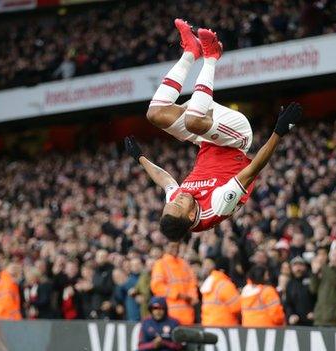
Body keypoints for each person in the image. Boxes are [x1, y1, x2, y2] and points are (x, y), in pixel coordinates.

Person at [125, 19, 303, 241]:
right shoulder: (217, 207)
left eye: (171, 202)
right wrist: (279, 132)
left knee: (155, 114)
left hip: (207, 138)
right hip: (236, 139)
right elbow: (252, 170)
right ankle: (211, 56)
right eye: (178, 204)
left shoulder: (177, 204)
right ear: (191, 216)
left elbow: (165, 181)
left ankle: (190, 51)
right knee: (192, 122)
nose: (175, 199)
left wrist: (140, 157)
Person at [150, 242, 198, 325]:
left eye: (177, 246)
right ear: (166, 247)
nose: (175, 249)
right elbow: (157, 286)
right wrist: (177, 294)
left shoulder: (184, 264)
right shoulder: (160, 264)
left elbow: (192, 282)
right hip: (170, 316)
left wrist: (192, 296)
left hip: (188, 314)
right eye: (172, 246)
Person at [309, 247, 336, 327]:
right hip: (320, 318)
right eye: (334, 255)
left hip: (335, 319)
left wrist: (323, 266)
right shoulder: (325, 270)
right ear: (330, 257)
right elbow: (313, 289)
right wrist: (314, 274)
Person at [200, 256, 241, 326]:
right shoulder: (225, 284)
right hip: (224, 327)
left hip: (208, 325)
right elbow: (237, 308)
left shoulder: (209, 282)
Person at [283, 256, 314, 326]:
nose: (298, 268)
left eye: (301, 265)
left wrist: (315, 312)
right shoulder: (290, 283)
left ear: (305, 267)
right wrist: (291, 315)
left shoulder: (311, 280)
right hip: (296, 322)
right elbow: (288, 303)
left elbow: (318, 297)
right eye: (295, 265)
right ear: (291, 268)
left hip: (311, 320)